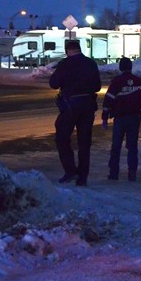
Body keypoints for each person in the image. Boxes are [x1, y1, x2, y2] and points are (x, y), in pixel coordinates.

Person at [49, 40, 102, 186]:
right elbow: (97, 86)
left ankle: (70, 170)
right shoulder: (91, 63)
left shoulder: (65, 64)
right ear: (79, 49)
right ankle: (82, 177)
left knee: (62, 137)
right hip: (88, 105)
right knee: (84, 142)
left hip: (70, 106)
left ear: (68, 50)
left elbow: (53, 84)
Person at [101, 57, 141, 182]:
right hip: (134, 118)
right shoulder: (139, 82)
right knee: (132, 147)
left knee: (116, 146)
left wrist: (105, 117)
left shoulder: (117, 82)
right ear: (131, 67)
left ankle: (114, 173)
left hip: (120, 118)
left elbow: (108, 100)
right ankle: (132, 174)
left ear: (120, 68)